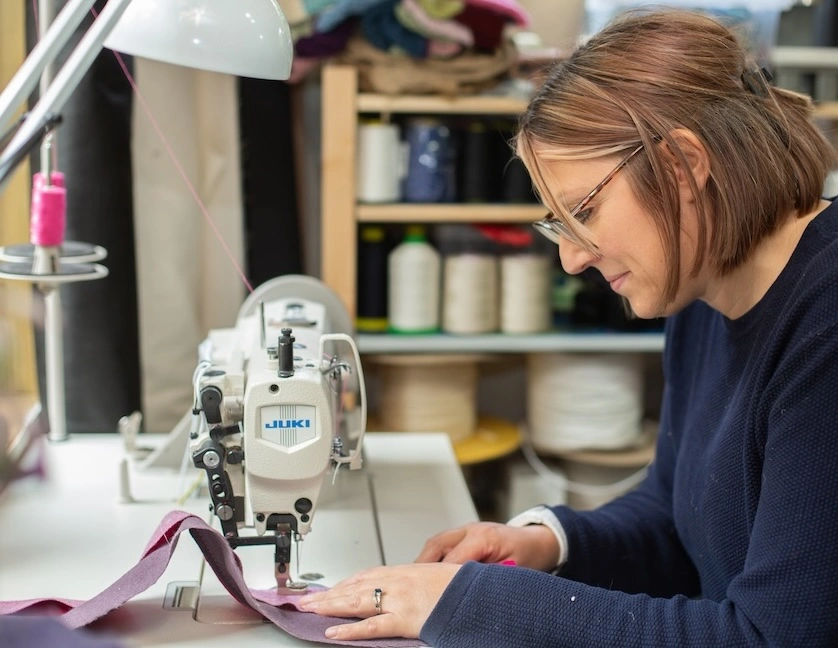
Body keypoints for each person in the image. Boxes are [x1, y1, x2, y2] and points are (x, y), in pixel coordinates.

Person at [299, 8, 838, 646]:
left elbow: (771, 637)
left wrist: (477, 603)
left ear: (683, 165)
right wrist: (545, 542)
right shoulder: (705, 293)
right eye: (558, 224)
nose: (572, 257)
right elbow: (674, 517)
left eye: (583, 210)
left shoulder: (823, 325)